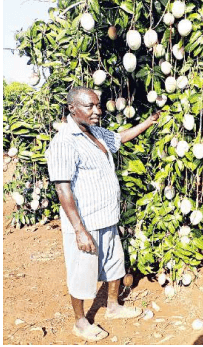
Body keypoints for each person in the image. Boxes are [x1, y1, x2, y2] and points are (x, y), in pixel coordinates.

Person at [46, 86, 160, 342]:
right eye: (90, 106)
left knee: (113, 265)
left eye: (98, 105)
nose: (97, 111)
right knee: (81, 274)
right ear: (72, 108)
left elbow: (120, 138)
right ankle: (80, 321)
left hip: (107, 217)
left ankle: (113, 307)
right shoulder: (64, 141)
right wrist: (79, 230)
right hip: (86, 222)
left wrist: (149, 122)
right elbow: (63, 190)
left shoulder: (95, 132)